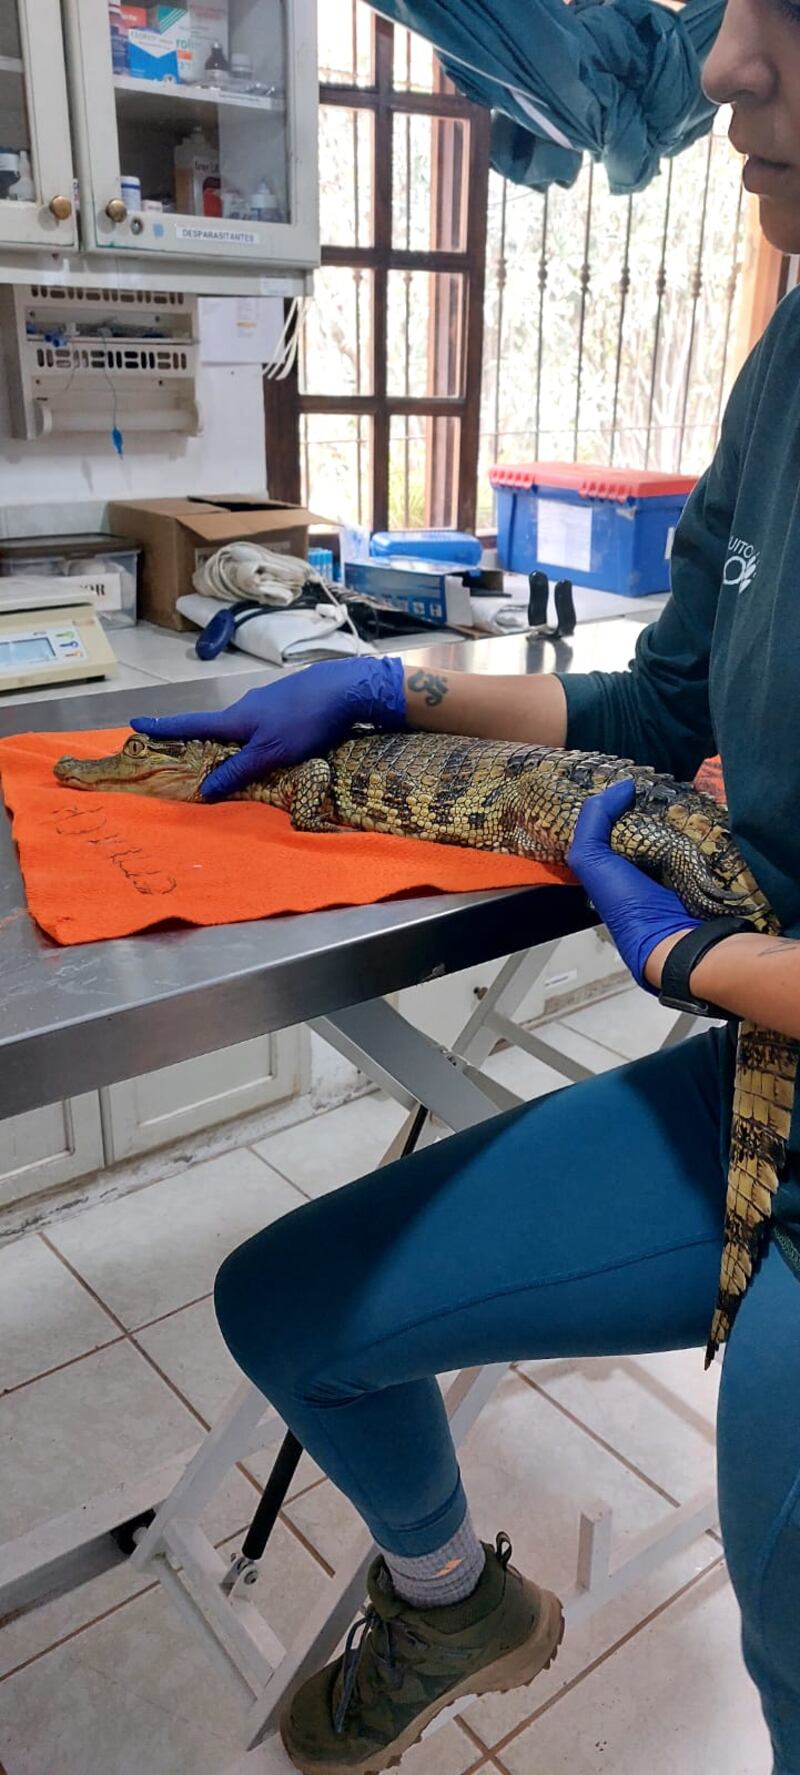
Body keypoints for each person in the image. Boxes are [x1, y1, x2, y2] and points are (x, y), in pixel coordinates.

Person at [132, 7, 800, 1770]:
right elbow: (664, 703)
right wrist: (394, 684)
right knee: (287, 1303)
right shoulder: (795, 348)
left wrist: (718, 961)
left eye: (789, 18)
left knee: (792, 1630)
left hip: (771, 1034)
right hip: (771, 1074)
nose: (727, 67)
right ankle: (449, 1597)